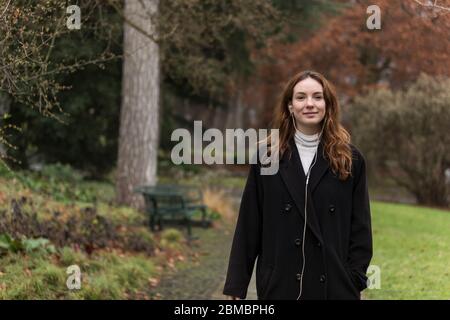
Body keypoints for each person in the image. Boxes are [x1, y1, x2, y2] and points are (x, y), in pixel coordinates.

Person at [223, 70, 372, 300]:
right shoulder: (267, 158)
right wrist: (236, 284)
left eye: (317, 97)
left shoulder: (350, 159)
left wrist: (354, 278)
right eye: (301, 97)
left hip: (334, 287)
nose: (309, 104)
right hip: (279, 285)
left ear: (328, 104)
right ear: (290, 106)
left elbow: (360, 228)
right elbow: (249, 224)